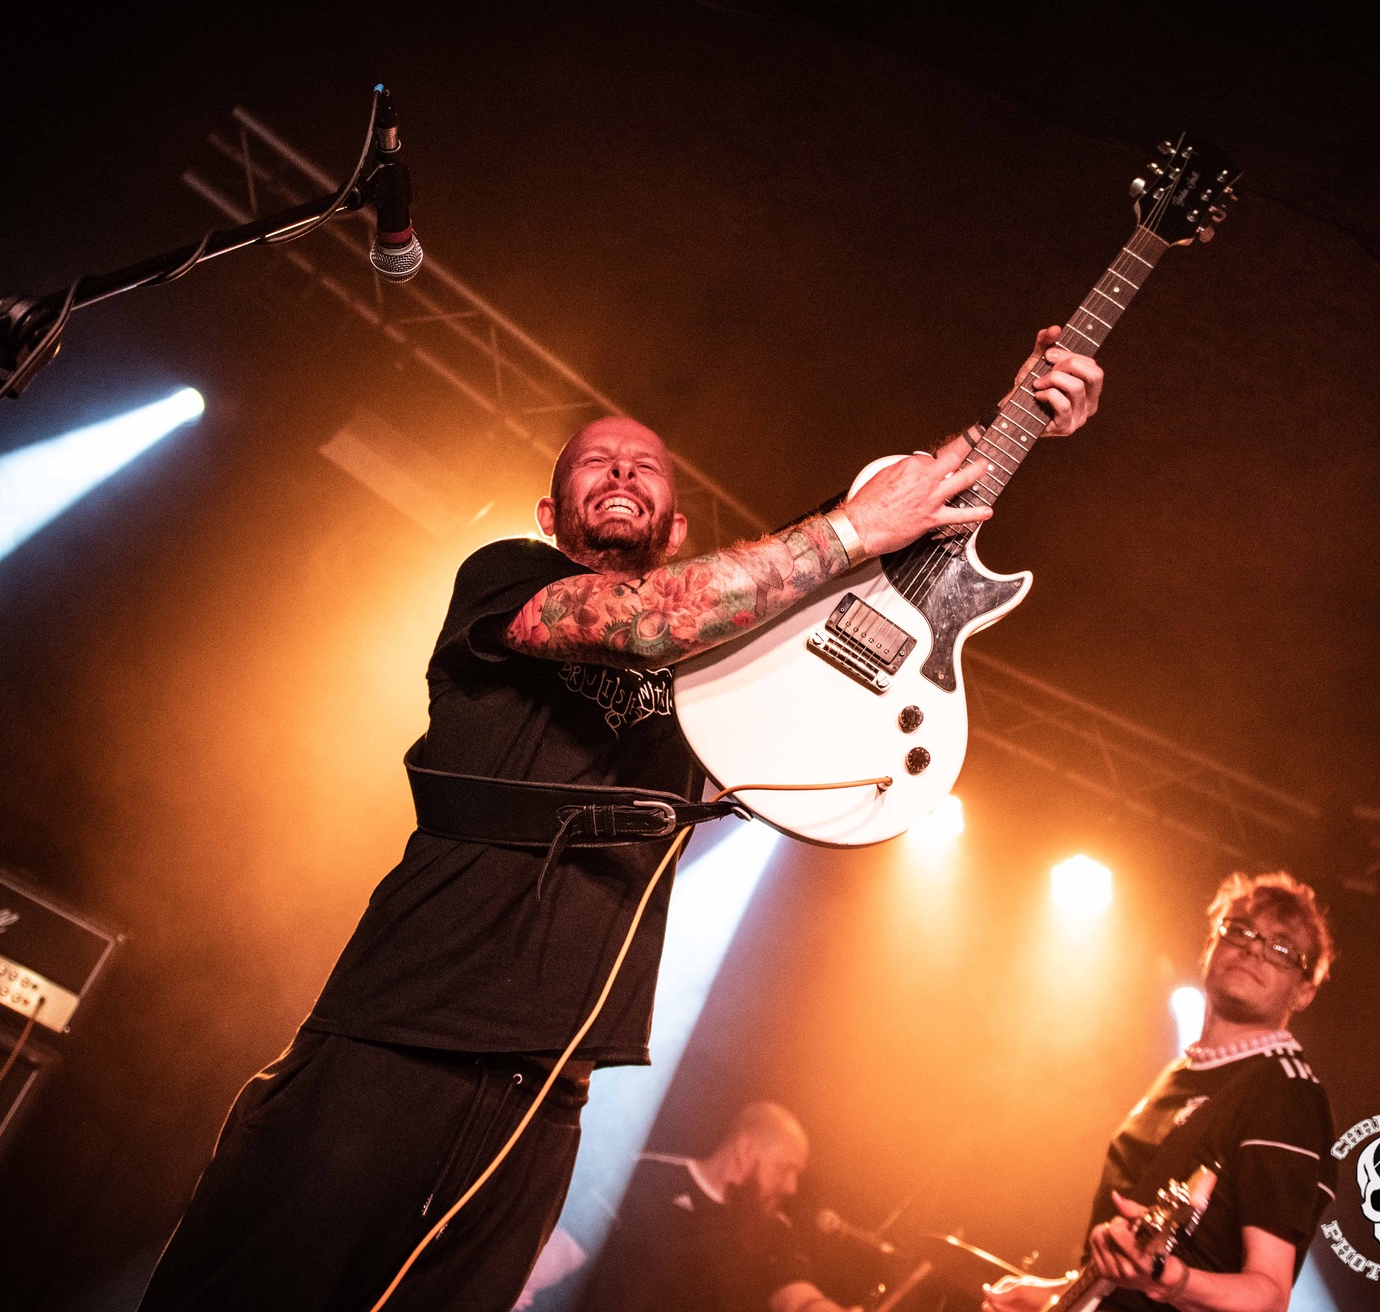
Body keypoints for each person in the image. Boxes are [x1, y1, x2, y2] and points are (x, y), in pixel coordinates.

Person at [137, 328, 1104, 1312]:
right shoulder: (505, 576)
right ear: (548, 511)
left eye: (644, 465)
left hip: (548, 1091)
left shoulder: (722, 664)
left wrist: (1011, 415)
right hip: (398, 1032)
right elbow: (654, 618)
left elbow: (876, 532)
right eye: (593, 460)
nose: (620, 470)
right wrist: (849, 530)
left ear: (677, 529)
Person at [984, 873, 1337, 1312]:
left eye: (1281, 949)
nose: (1253, 949)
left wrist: (1165, 1277)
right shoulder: (1177, 1075)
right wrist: (1055, 1293)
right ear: (1210, 945)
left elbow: (1267, 1296)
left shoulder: (1284, 1091)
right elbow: (1121, 1276)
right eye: (1240, 930)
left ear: (1304, 992)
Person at [538, 1101, 856, 1312]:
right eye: (785, 1169)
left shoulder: (775, 1231)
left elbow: (799, 1298)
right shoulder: (646, 1176)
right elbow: (560, 1254)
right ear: (746, 1149)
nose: (791, 1187)